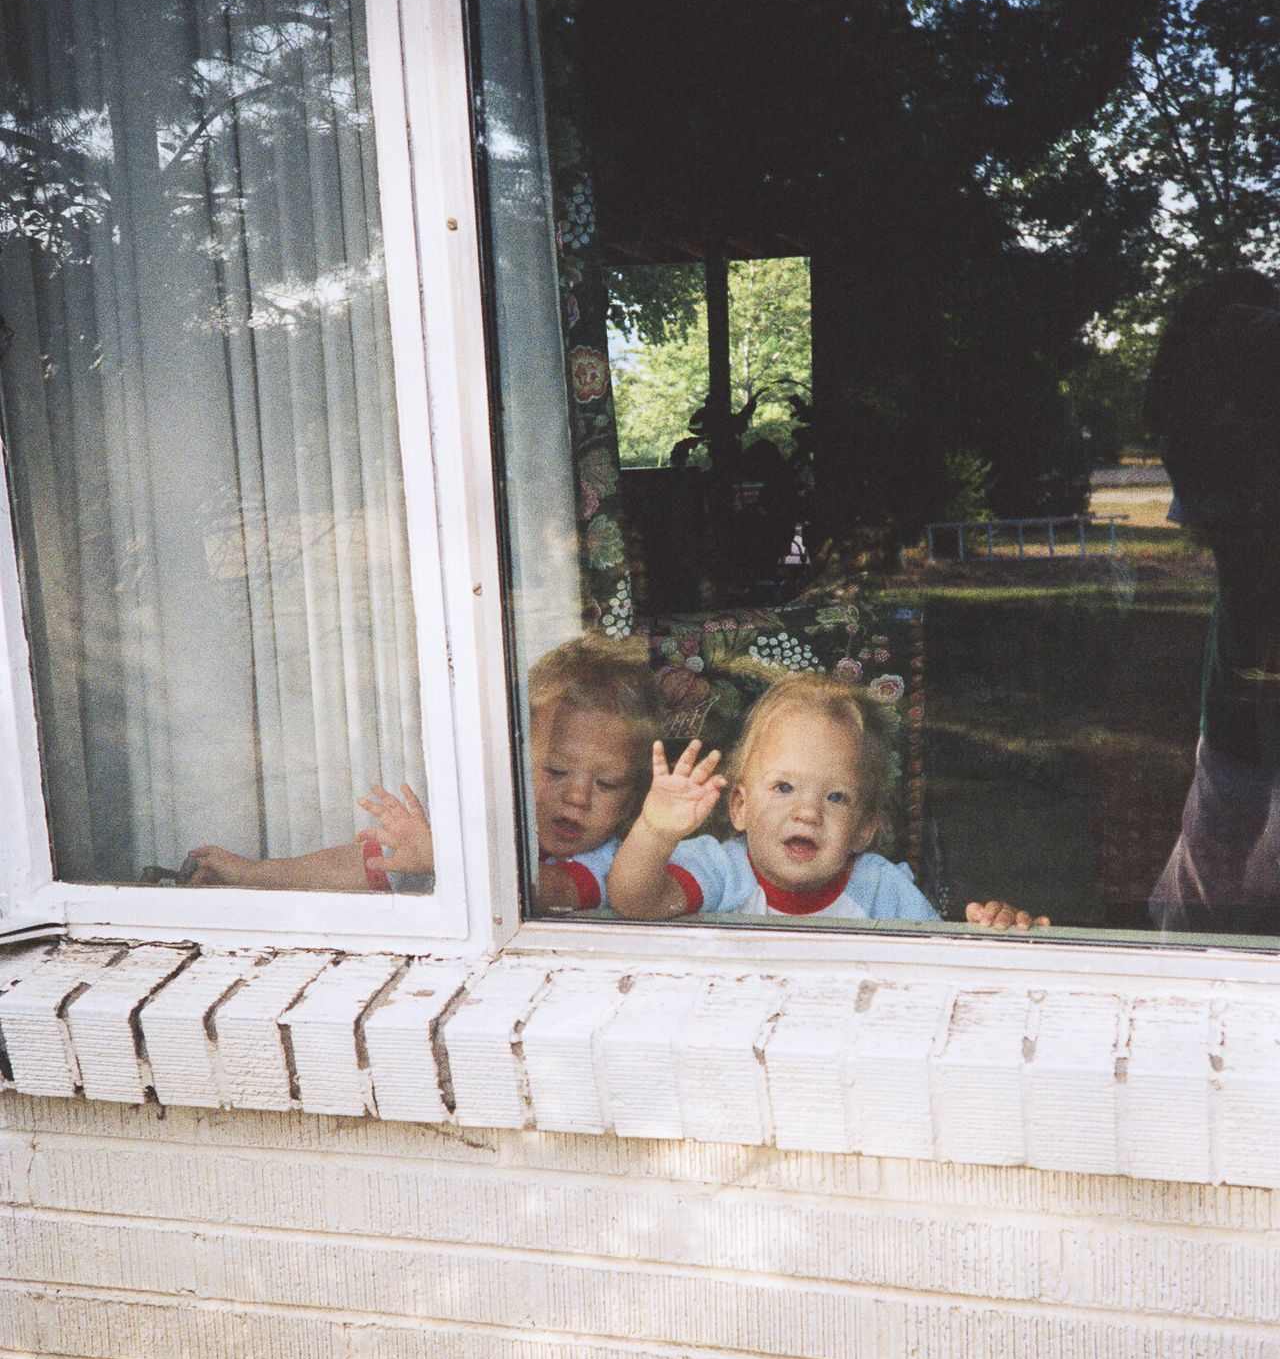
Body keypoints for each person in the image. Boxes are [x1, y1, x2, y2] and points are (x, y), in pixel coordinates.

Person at [185, 633, 664, 912]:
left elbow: (546, 891)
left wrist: (446, 857)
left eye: (606, 783)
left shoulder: (613, 865)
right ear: (517, 759)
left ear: (634, 796)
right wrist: (256, 876)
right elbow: (369, 865)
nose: (577, 797)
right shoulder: (503, 829)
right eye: (557, 770)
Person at [607, 671, 1047, 928]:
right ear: (738, 807)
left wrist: (991, 933)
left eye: (836, 797)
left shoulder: (880, 890)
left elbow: (936, 969)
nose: (808, 812)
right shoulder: (723, 870)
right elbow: (634, 900)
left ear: (862, 829)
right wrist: (655, 830)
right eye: (783, 787)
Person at [1145, 269, 1280, 933]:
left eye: (1241, 524)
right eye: (1210, 533)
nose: (1237, 562)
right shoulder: (1248, 632)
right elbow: (1193, 920)